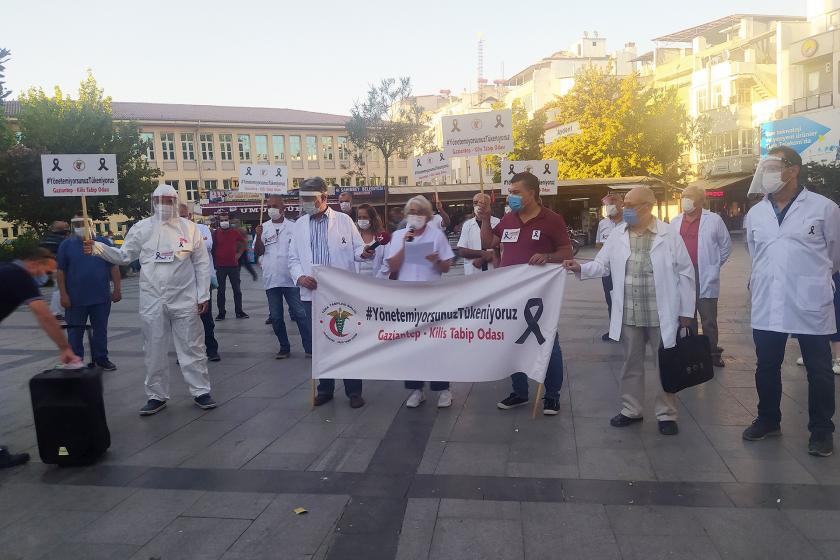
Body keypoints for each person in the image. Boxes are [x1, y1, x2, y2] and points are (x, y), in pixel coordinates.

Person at [564, 186, 695, 436]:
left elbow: (685, 273)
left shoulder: (668, 235)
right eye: (625, 204)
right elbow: (602, 264)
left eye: (632, 205)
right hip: (630, 312)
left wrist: (686, 311)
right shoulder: (617, 235)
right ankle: (631, 409)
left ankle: (666, 414)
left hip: (661, 311)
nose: (626, 209)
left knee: (664, 365)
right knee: (630, 363)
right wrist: (579, 268)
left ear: (649, 206)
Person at [741, 146, 840, 457]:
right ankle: (768, 419)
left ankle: (822, 430)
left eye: (775, 166)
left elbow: (835, 256)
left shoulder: (824, 209)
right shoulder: (756, 213)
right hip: (769, 299)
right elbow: (756, 253)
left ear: (794, 170)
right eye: (765, 167)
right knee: (766, 365)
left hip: (810, 300)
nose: (768, 173)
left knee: (819, 368)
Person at [85, 184, 217, 416]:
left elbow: (201, 263)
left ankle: (200, 391)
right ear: (153, 202)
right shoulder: (141, 228)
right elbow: (125, 256)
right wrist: (98, 247)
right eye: (159, 200)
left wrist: (202, 294)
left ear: (175, 202)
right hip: (152, 299)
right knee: (154, 347)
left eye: (168, 200)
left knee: (192, 346)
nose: (164, 205)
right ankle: (156, 395)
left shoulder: (190, 229)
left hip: (185, 298)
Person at [477, 172, 573, 415]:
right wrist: (486, 219)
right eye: (510, 192)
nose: (512, 197)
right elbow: (489, 241)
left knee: (548, 341)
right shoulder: (508, 219)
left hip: (539, 295)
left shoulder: (552, 219)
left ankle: (552, 396)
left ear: (532, 192)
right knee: (513, 341)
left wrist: (548, 257)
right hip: (510, 293)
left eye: (517, 192)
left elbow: (566, 251)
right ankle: (519, 392)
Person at [289, 177, 374, 408]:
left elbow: (357, 249)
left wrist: (365, 253)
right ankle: (325, 388)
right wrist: (300, 277)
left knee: (347, 338)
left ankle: (353, 391)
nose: (305, 203)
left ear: (324, 198)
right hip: (312, 292)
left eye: (310, 199)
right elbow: (293, 258)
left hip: (340, 291)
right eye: (302, 199)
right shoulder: (298, 225)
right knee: (320, 342)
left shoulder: (344, 221)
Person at [0, 248, 81, 468]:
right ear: (35, 264)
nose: (47, 275)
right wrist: (65, 347)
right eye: (48, 270)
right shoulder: (20, 276)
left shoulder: (7, 271)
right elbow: (43, 314)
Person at [382, 196, 455, 408]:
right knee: (410, 345)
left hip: (431, 298)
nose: (415, 216)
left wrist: (436, 260)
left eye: (419, 212)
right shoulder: (398, 236)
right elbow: (393, 266)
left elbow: (446, 267)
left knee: (434, 344)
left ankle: (443, 389)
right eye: (411, 212)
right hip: (406, 298)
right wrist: (406, 244)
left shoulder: (436, 235)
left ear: (427, 215)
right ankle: (416, 389)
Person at [671, 185, 732, 368]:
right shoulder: (675, 221)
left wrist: (712, 266)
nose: (684, 200)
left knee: (708, 319)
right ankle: (693, 354)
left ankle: (712, 354)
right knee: (686, 316)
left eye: (688, 196)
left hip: (704, 273)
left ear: (700, 200)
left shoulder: (714, 220)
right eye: (682, 196)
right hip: (682, 274)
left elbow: (726, 247)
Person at [57, 215, 121, 371]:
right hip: (75, 298)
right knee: (75, 331)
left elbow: (113, 266)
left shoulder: (103, 243)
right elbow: (61, 271)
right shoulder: (66, 245)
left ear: (91, 224)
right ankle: (75, 360)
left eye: (84, 223)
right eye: (77, 224)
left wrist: (117, 289)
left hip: (100, 296)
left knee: (100, 329)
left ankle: (101, 358)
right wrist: (63, 294)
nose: (81, 226)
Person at [255, 195, 311, 359]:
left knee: (301, 314)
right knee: (277, 317)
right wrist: (258, 235)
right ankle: (284, 347)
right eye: (269, 206)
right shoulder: (263, 227)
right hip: (272, 280)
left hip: (292, 280)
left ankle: (309, 347)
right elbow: (258, 252)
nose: (271, 209)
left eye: (274, 206)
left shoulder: (294, 227)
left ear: (283, 208)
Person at [179, 203, 220, 361]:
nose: (182, 219)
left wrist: (188, 244)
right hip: (182, 282)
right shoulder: (172, 233)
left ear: (190, 216)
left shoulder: (202, 229)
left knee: (206, 316)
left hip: (203, 280)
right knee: (184, 318)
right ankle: (186, 351)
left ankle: (211, 349)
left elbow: (207, 245)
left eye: (184, 215)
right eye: (179, 216)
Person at [595, 193, 624, 341]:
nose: (610, 206)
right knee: (610, 299)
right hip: (608, 270)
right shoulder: (603, 224)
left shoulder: (629, 223)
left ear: (621, 203)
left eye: (614, 202)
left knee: (626, 298)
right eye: (608, 203)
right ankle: (614, 330)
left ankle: (629, 330)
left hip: (625, 268)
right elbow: (599, 243)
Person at [212, 212, 248, 320]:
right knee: (221, 291)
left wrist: (239, 254)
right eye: (222, 220)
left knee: (237, 290)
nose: (224, 222)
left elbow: (244, 242)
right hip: (220, 266)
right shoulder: (215, 233)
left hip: (233, 265)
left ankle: (239, 311)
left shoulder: (234, 232)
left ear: (229, 221)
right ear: (219, 221)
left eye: (226, 220)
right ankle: (221, 313)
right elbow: (212, 248)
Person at [457, 193, 499, 276]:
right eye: (475, 203)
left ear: (489, 205)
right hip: (473, 273)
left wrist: (483, 258)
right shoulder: (467, 225)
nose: (478, 205)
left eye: (482, 203)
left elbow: (502, 248)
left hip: (493, 272)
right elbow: (462, 251)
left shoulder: (498, 223)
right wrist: (481, 253)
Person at [40, 220, 70, 320]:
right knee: (59, 288)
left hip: (49, 267)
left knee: (58, 288)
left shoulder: (46, 239)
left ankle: (56, 311)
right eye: (65, 229)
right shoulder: (62, 241)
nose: (66, 230)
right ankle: (55, 312)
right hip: (58, 268)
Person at [355, 204, 387, 277]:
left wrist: (379, 278)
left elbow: (386, 261)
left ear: (372, 219)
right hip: (357, 281)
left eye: (365, 217)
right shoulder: (354, 236)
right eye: (359, 217)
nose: (362, 220)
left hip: (376, 281)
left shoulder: (381, 237)